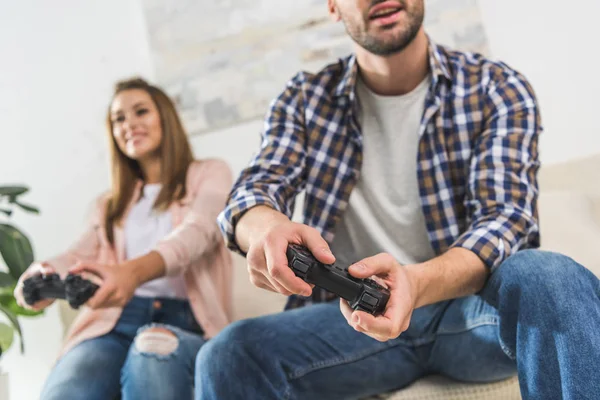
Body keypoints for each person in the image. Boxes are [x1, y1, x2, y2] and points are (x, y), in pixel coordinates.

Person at [194, 1, 600, 399]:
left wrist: (415, 284)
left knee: (551, 276)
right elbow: (254, 190)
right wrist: (267, 229)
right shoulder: (304, 98)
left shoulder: (496, 86)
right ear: (333, 6)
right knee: (229, 353)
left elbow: (505, 220)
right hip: (351, 321)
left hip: (470, 310)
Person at [14, 78, 234, 400]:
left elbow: (198, 231)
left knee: (152, 354)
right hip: (112, 323)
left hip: (184, 320)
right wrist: (42, 271)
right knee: (69, 388)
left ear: (165, 118)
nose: (129, 124)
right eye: (118, 119)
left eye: (140, 112)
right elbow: (80, 252)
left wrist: (133, 273)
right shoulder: (109, 204)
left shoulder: (209, 174)